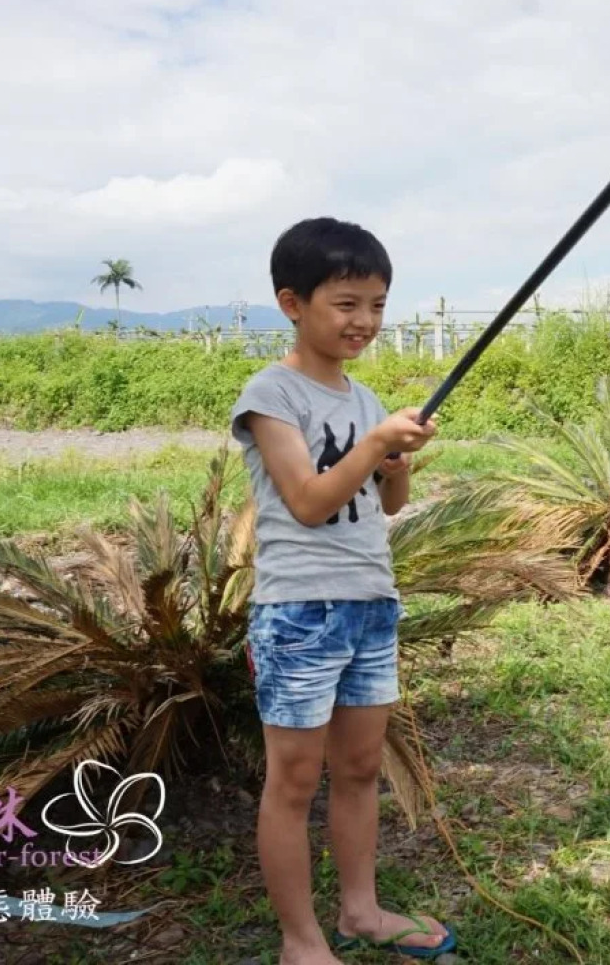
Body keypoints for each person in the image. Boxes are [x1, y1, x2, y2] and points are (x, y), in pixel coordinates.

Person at [231, 217, 454, 963]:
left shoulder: (365, 397)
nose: (364, 321)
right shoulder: (270, 394)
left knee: (359, 771)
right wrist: (373, 446)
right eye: (346, 303)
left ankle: (360, 912)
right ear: (292, 302)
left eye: (377, 305)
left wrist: (396, 467)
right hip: (299, 611)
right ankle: (302, 940)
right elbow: (307, 502)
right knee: (293, 782)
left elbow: (381, 508)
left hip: (369, 602)